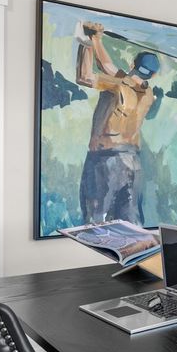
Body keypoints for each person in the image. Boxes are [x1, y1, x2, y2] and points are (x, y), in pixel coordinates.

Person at [74, 21, 161, 225]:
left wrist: (87, 42)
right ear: (154, 75)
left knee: (96, 224)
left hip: (106, 160)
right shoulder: (147, 93)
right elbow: (108, 67)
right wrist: (95, 39)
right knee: (129, 224)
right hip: (132, 162)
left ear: (132, 65)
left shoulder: (119, 86)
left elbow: (85, 76)